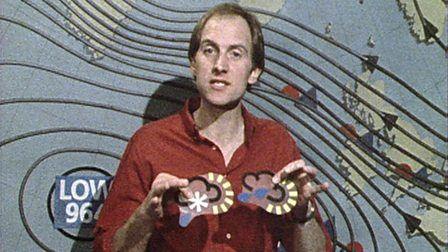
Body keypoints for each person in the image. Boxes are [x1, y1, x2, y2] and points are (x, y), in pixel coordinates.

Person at [94, 3, 332, 251]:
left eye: (235, 53)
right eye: (209, 50)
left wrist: (302, 213)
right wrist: (145, 217)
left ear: (254, 72)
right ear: (193, 64)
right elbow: (107, 247)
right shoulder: (150, 144)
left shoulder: (275, 143)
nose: (220, 65)